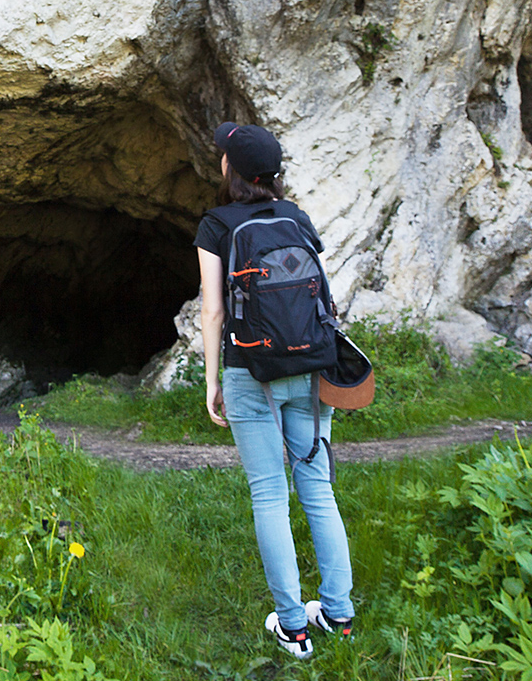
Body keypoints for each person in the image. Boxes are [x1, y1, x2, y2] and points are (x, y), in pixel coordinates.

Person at [192, 122, 356, 660]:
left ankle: (293, 627)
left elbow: (213, 310)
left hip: (249, 372)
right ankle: (338, 613)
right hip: (310, 370)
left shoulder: (216, 224)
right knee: (319, 492)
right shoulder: (298, 218)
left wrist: (213, 379)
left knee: (269, 497)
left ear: (230, 170)